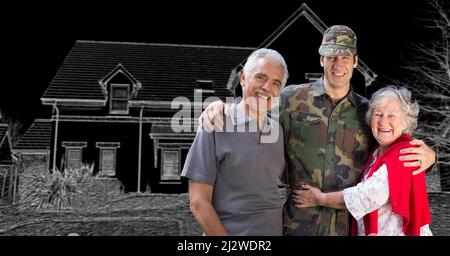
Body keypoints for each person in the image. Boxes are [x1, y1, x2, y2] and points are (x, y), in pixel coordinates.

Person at [199, 25, 436, 236]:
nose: (338, 64)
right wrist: (221, 106)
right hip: (296, 224)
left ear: (355, 61)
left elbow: (391, 154)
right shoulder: (291, 98)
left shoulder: (369, 112)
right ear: (321, 59)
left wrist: (430, 158)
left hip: (347, 226)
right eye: (331, 56)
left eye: (345, 57)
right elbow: (253, 108)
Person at [294, 86, 432, 236]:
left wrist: (320, 198)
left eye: (392, 115)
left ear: (406, 122)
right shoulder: (376, 153)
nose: (383, 121)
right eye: (378, 114)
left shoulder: (404, 154)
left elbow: (365, 197)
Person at [181, 48, 289, 235]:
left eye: (276, 83)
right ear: (243, 78)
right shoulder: (215, 123)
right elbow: (198, 203)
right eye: (260, 77)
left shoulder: (278, 131)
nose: (267, 88)